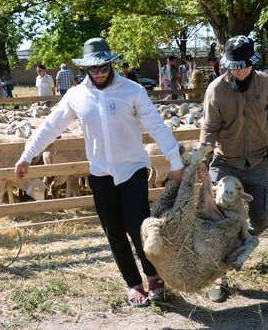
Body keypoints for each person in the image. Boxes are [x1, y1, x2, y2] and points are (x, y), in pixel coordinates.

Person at [15, 37, 184, 308]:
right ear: (85, 69)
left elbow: (157, 126)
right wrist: (27, 155)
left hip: (133, 169)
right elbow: (50, 127)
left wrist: (175, 162)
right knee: (113, 231)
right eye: (94, 69)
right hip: (101, 173)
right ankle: (133, 283)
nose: (100, 73)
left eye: (104, 66)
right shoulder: (76, 96)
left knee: (137, 226)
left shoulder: (133, 91)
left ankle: (154, 275)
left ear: (111, 63)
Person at [199, 35, 268, 303]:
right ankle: (219, 277)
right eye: (235, 66)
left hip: (256, 162)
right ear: (226, 64)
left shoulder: (265, 83)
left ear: (253, 63)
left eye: (245, 66)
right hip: (225, 162)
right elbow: (209, 128)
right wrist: (202, 156)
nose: (240, 71)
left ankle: (243, 239)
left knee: (260, 220)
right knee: (218, 221)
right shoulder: (216, 89)